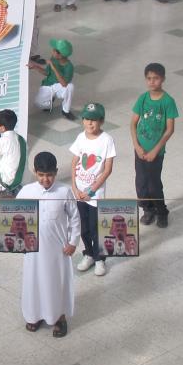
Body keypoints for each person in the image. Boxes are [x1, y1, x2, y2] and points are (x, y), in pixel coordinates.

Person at [18, 152, 81, 338]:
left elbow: (75, 218)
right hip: (32, 250)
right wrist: (17, 242)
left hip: (58, 250)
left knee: (56, 283)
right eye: (41, 175)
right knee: (34, 281)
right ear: (35, 172)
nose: (45, 179)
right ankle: (35, 315)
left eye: (50, 175)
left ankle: (59, 317)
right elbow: (15, 217)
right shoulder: (26, 191)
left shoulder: (64, 191)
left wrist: (73, 242)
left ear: (56, 172)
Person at [70, 102, 116, 277]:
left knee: (95, 228)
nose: (90, 123)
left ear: (101, 121)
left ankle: (99, 259)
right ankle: (88, 254)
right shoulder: (80, 137)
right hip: (79, 193)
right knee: (83, 228)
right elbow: (74, 162)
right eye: (87, 119)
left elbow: (107, 169)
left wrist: (90, 191)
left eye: (94, 120)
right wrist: (74, 187)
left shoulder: (107, 140)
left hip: (94, 195)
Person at [131, 63, 178, 228]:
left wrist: (155, 150)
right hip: (140, 150)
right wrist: (137, 146)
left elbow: (170, 130)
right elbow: (133, 124)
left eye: (156, 78)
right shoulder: (142, 98)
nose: (152, 82)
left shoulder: (168, 101)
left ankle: (162, 211)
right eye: (149, 78)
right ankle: (148, 209)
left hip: (156, 153)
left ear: (163, 79)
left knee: (154, 184)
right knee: (141, 183)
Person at [30, 39, 75, 119]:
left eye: (54, 50)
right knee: (38, 103)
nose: (52, 51)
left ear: (60, 55)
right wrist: (35, 67)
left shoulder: (69, 67)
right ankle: (49, 101)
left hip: (60, 86)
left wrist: (54, 68)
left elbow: (64, 84)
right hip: (48, 84)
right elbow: (46, 73)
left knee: (70, 87)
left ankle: (66, 110)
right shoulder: (53, 59)